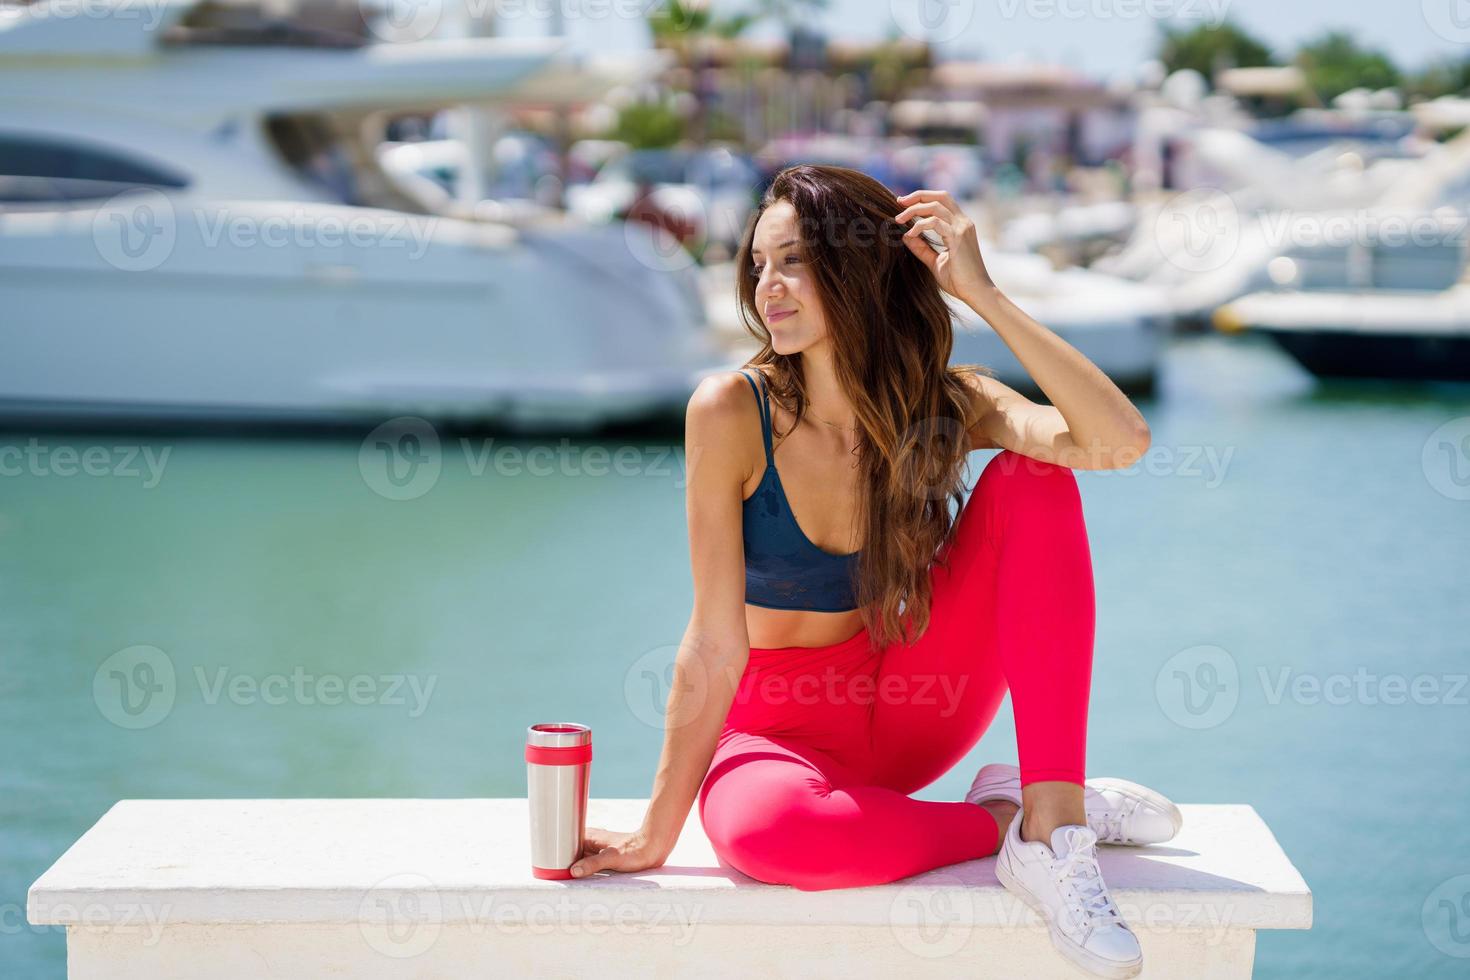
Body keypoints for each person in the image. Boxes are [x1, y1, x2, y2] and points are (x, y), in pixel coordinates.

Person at [567, 164, 1182, 979]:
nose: (767, 287)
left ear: (856, 270)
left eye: (793, 261)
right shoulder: (730, 412)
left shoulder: (949, 403)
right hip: (776, 739)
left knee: (1037, 480)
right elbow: (713, 640)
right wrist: (656, 831)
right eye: (758, 265)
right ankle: (1011, 813)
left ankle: (1056, 824)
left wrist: (985, 296)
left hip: (912, 708)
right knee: (769, 839)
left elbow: (1117, 443)